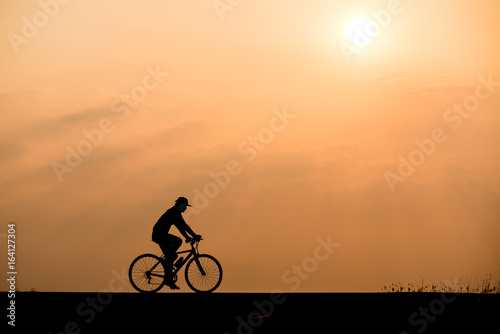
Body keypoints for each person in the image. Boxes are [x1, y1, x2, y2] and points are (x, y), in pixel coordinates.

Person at [152, 197, 201, 290]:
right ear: (180, 204)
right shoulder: (174, 212)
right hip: (159, 234)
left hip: (161, 234)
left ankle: (168, 263)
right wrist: (191, 236)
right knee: (175, 248)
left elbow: (182, 226)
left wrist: (191, 236)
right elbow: (181, 227)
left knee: (172, 254)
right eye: (185, 206)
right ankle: (168, 275)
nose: (186, 208)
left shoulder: (175, 212)